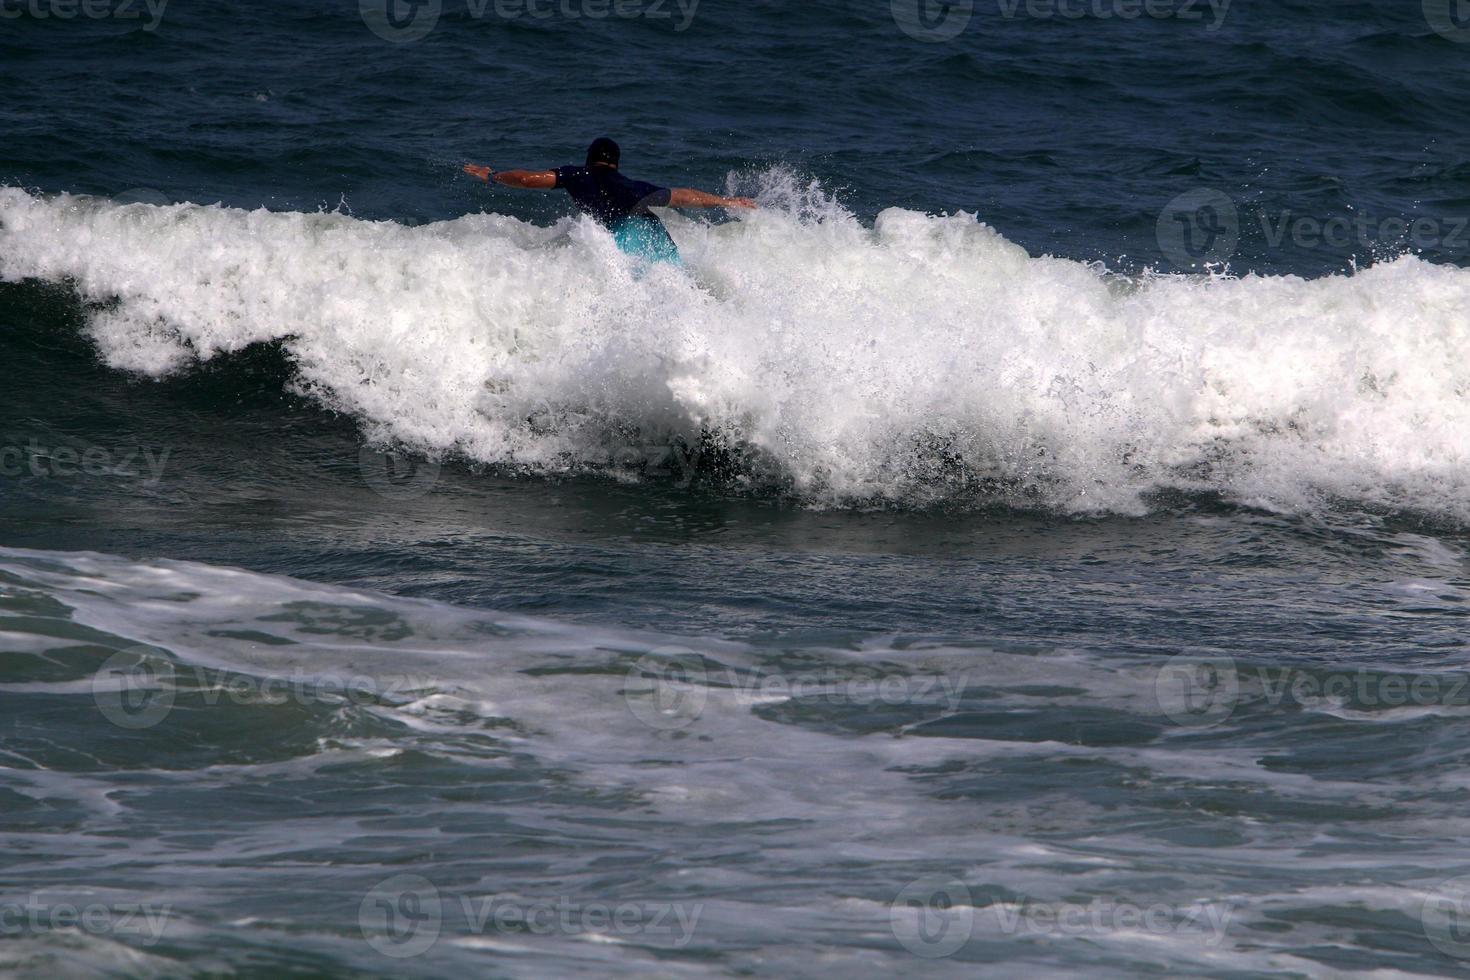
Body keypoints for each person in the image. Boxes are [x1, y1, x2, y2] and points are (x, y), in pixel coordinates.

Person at [463, 137, 755, 264]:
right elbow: (683, 196)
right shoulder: (634, 185)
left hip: (625, 240)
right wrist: (727, 201)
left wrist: (492, 176)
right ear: (616, 164)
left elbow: (528, 179)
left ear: (589, 159)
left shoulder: (576, 175)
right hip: (655, 238)